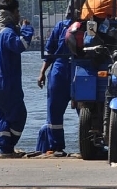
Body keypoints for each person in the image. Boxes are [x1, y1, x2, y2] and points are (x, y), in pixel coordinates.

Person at [0, 0, 34, 158]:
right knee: (19, 114)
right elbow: (21, 46)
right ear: (12, 13)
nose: (19, 15)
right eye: (17, 12)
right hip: (6, 82)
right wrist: (27, 28)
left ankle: (4, 149)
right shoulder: (7, 33)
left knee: (1, 114)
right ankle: (8, 147)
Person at [35, 11, 74, 155]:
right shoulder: (87, 26)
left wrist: (42, 72)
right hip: (79, 69)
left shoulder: (60, 26)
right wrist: (42, 72)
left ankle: (56, 146)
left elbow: (49, 52)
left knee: (54, 110)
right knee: (86, 108)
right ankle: (92, 144)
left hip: (60, 70)